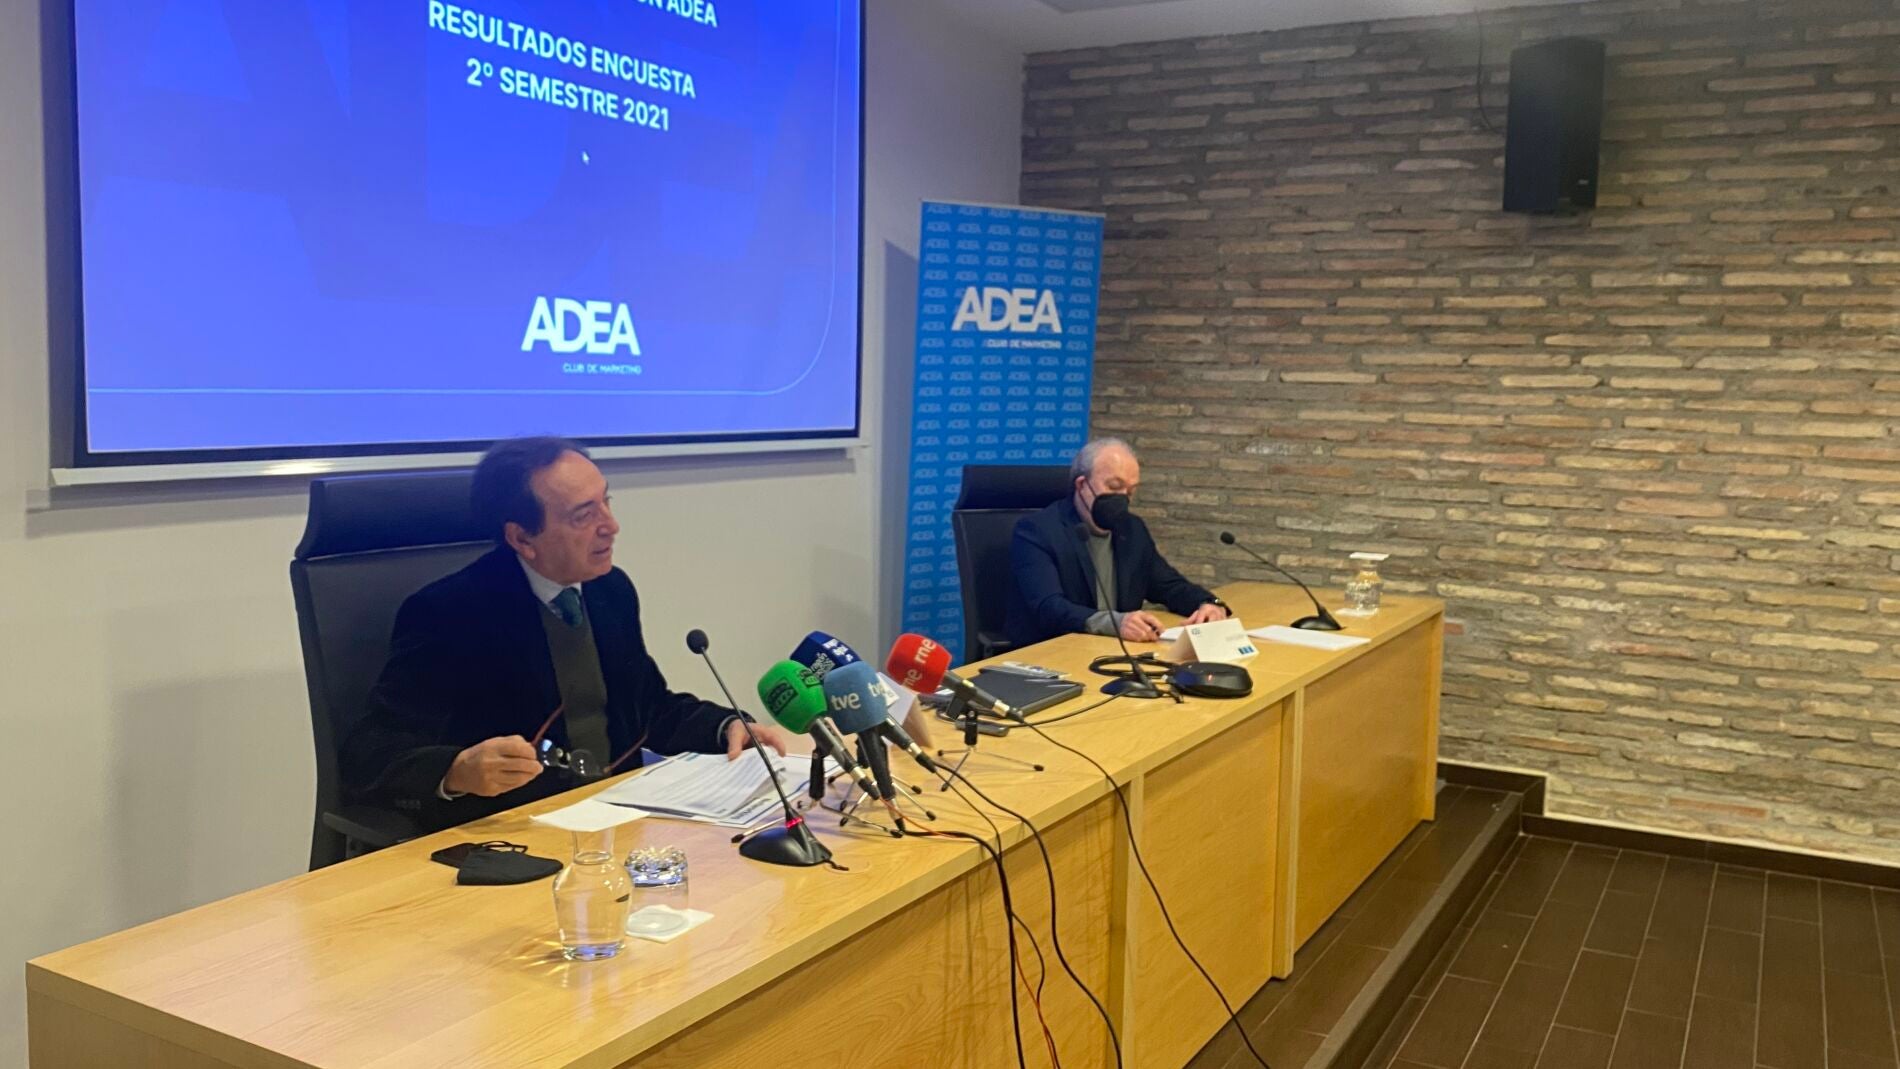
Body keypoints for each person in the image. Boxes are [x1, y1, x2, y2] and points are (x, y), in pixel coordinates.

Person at [342, 436, 796, 832]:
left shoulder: (609, 590)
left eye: (606, 502)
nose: (610, 526)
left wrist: (726, 727)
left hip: (616, 818)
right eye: (584, 515)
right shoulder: (451, 612)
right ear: (522, 538)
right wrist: (457, 770)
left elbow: (648, 707)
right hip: (517, 832)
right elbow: (369, 751)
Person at [1006, 437, 1230, 648]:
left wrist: (1208, 604)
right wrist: (1114, 623)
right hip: (1054, 651)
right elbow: (1049, 608)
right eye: (1114, 487)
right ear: (1082, 485)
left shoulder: (1132, 529)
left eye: (1130, 491)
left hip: (1115, 650)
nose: (1122, 498)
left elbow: (1169, 586)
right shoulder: (1038, 530)